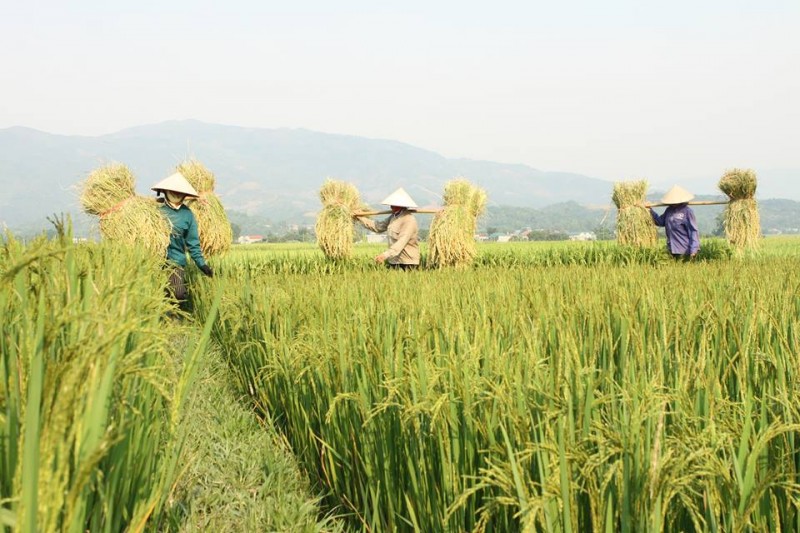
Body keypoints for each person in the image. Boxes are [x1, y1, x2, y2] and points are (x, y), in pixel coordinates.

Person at [151, 172, 213, 306]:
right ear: (165, 191)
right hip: (153, 260)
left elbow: (193, 242)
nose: (176, 194)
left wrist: (202, 264)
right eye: (173, 191)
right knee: (155, 294)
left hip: (175, 261)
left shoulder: (187, 215)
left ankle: (174, 318)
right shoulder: (155, 210)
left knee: (178, 294)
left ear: (185, 195)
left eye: (180, 192)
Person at [356, 187, 420, 269]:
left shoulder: (409, 220)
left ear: (401, 205)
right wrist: (360, 218)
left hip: (408, 263)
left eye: (394, 204)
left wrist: (384, 255)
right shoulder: (393, 217)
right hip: (394, 261)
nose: (391, 207)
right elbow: (378, 227)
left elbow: (401, 242)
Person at [649, 185, 700, 260]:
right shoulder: (669, 210)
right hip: (671, 249)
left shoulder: (687, 212)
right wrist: (650, 211)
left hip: (685, 250)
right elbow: (660, 222)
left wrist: (694, 249)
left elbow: (693, 231)